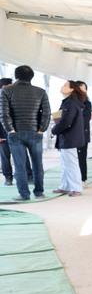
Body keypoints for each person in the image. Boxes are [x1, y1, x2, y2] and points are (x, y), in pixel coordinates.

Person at [0, 65, 51, 201]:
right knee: (37, 164)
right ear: (31, 77)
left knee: (19, 165)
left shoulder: (6, 91)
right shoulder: (41, 92)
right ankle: (39, 192)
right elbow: (47, 113)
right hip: (35, 132)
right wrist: (42, 129)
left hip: (15, 133)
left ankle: (24, 194)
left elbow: (4, 114)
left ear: (16, 76)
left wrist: (10, 129)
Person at [50, 80, 86, 197]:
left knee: (71, 163)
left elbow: (66, 122)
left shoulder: (70, 103)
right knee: (66, 163)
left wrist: (53, 130)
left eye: (65, 86)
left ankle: (76, 188)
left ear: (72, 89)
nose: (62, 87)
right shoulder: (71, 102)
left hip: (70, 138)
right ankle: (64, 186)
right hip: (70, 138)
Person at [75, 80, 91, 184]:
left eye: (84, 88)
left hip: (82, 134)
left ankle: (82, 179)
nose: (82, 90)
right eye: (80, 87)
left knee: (81, 157)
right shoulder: (68, 102)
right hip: (69, 135)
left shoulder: (87, 103)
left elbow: (86, 119)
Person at [0, 78, 13, 185]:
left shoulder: (14, 98)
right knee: (5, 156)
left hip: (16, 133)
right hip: (3, 134)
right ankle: (8, 177)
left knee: (22, 156)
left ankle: (28, 176)